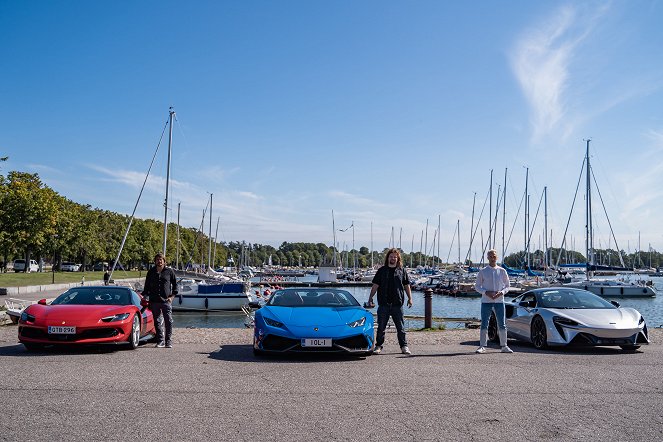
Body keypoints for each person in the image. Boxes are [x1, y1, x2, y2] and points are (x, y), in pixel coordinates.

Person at [367, 248, 413, 355]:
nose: (393, 258)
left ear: (398, 258)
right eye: (391, 256)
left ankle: (404, 346)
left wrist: (410, 298)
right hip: (384, 304)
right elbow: (375, 285)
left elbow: (406, 285)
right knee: (381, 327)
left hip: (397, 304)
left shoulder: (402, 270)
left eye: (395, 257)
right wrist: (370, 298)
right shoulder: (382, 271)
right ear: (388, 257)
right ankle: (378, 346)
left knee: (401, 328)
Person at [474, 249, 513, 354]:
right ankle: (482, 346)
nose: (492, 258)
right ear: (487, 257)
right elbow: (477, 286)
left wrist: (502, 292)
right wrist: (486, 292)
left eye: (494, 256)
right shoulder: (483, 271)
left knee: (502, 323)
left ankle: (504, 346)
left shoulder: (502, 271)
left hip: (499, 301)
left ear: (497, 257)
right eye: (490, 256)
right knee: (484, 323)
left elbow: (508, 286)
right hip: (486, 301)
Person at [142, 253, 178, 348]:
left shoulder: (169, 271)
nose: (159, 261)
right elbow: (147, 285)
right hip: (154, 301)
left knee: (168, 321)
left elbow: (175, 286)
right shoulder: (151, 272)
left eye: (161, 259)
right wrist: (145, 296)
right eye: (157, 259)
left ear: (164, 261)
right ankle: (160, 341)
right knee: (157, 321)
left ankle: (168, 341)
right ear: (155, 261)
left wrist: (172, 297)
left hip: (166, 300)